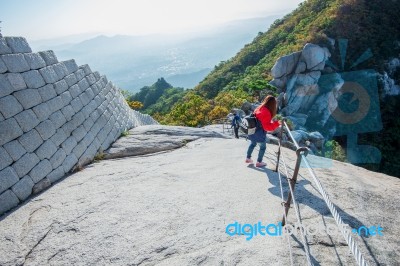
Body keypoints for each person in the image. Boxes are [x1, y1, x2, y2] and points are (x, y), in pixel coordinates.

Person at [245, 95, 280, 167]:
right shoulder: (267, 112)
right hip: (259, 133)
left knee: (252, 144)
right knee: (263, 147)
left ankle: (248, 158)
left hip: (252, 131)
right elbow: (267, 127)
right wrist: (277, 123)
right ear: (273, 104)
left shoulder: (259, 108)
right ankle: (259, 162)